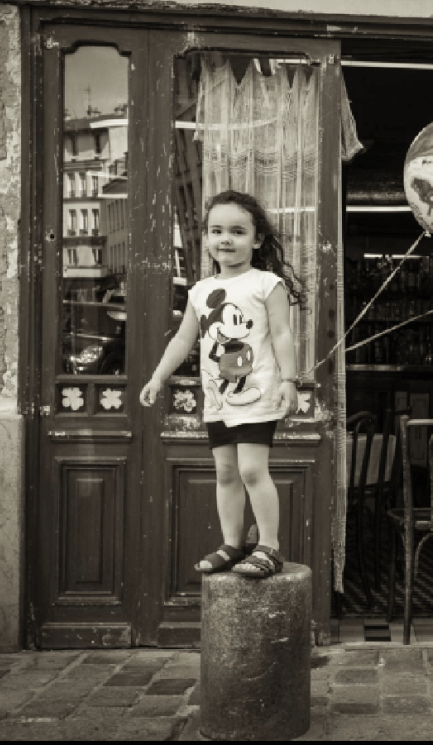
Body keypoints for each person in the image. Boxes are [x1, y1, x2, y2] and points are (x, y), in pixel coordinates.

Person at [140, 189, 305, 578]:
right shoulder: (200, 290)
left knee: (251, 470)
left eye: (237, 231)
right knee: (226, 472)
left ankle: (269, 546)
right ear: (208, 239)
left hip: (257, 392)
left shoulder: (267, 284)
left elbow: (282, 334)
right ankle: (232, 544)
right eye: (217, 231)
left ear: (257, 239)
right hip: (217, 398)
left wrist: (289, 380)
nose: (225, 239)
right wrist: (157, 376)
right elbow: (183, 339)